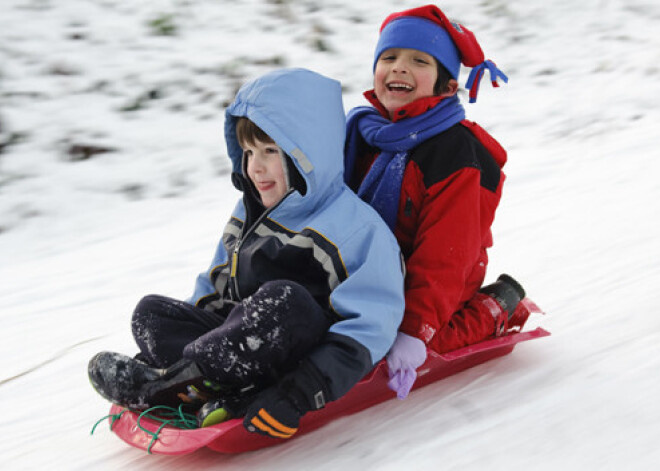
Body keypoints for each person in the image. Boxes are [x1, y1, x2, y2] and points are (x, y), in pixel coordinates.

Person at [88, 68, 405, 439]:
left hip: (300, 355)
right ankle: (191, 380)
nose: (255, 166)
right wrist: (178, 338)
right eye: (249, 151)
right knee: (150, 312)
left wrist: (301, 391)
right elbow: (217, 286)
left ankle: (172, 385)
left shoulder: (357, 229)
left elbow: (370, 329)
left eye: (271, 151)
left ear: (308, 156)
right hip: (240, 347)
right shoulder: (250, 210)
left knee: (284, 301)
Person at [343, 5, 536, 400]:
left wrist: (415, 331)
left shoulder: (454, 151)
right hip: (372, 270)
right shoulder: (363, 132)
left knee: (425, 344)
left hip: (438, 281)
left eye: (419, 61)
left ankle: (495, 306)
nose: (399, 68)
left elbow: (447, 254)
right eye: (389, 58)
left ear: (448, 86)